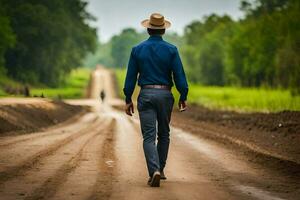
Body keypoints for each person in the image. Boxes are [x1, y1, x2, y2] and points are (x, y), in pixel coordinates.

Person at [123, 13, 188, 187]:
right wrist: (183, 95)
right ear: (163, 31)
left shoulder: (137, 50)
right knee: (164, 133)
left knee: (149, 137)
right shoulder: (172, 50)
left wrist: (128, 98)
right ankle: (161, 169)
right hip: (165, 95)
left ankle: (154, 170)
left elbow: (130, 77)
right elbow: (179, 75)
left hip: (146, 94)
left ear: (148, 29)